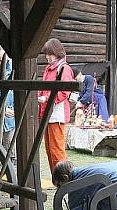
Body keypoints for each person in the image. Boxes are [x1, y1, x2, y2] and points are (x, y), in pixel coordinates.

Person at [39, 38, 75, 173]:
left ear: (56, 52)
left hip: (56, 115)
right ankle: (56, 179)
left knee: (57, 151)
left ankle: (65, 178)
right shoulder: (48, 69)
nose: (47, 57)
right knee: (49, 150)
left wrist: (47, 99)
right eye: (46, 54)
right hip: (46, 113)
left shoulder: (64, 68)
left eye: (49, 54)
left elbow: (64, 91)